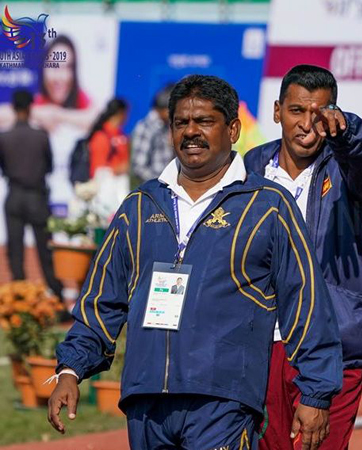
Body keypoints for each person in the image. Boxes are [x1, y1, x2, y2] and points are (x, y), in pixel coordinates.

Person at [47, 74, 343, 450]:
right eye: (181, 122)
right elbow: (102, 299)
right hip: (146, 401)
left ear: (233, 129)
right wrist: (71, 369)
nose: (191, 132)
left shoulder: (268, 206)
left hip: (224, 401)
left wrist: (316, 392)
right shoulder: (140, 206)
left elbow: (306, 302)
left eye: (204, 121)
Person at [244, 64, 362, 450]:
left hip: (334, 343)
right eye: (296, 111)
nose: (307, 125)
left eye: (319, 114)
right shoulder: (249, 168)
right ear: (277, 112)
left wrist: (347, 130)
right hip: (262, 343)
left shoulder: (347, 170)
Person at [0, 90, 63, 300]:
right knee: (45, 251)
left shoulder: (4, 137)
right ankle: (57, 296)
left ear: (13, 108)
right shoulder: (41, 136)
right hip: (37, 196)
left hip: (14, 195)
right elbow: (50, 166)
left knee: (15, 251)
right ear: (30, 108)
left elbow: (3, 168)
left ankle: (18, 298)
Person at [131, 85, 174, 184]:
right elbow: (138, 167)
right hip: (154, 187)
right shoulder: (146, 127)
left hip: (167, 185)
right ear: (163, 109)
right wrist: (158, 183)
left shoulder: (164, 125)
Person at [87, 98, 129, 178]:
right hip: (105, 183)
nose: (127, 117)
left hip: (120, 182)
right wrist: (117, 169)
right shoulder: (101, 136)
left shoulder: (121, 136)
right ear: (120, 113)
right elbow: (97, 169)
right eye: (126, 113)